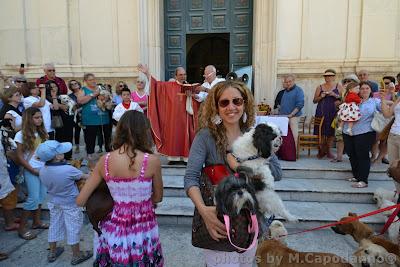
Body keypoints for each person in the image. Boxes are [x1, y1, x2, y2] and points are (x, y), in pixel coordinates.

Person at [76, 110, 164, 266]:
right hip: (144, 227)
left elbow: (80, 200)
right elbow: (158, 198)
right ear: (145, 131)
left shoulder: (105, 160)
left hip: (115, 226)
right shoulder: (151, 161)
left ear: (120, 130)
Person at [184, 80, 257, 266]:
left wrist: (240, 166)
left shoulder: (255, 135)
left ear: (245, 103)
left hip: (250, 219)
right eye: (224, 102)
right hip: (218, 219)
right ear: (216, 107)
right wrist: (203, 212)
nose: (231, 107)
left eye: (237, 101)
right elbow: (191, 177)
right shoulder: (205, 137)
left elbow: (276, 172)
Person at [36, 140, 92, 264]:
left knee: (54, 225)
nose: (64, 153)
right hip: (70, 204)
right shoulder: (68, 169)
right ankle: (76, 255)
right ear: (57, 156)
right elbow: (85, 177)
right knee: (73, 228)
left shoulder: (43, 170)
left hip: (54, 202)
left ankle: (52, 252)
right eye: (61, 152)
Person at [139, 63, 200, 162]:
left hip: (186, 118)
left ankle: (186, 158)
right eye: (180, 75)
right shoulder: (169, 86)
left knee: (186, 136)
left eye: (184, 74)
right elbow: (155, 86)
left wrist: (191, 96)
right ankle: (173, 158)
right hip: (173, 118)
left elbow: (198, 100)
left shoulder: (189, 86)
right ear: (175, 76)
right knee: (174, 135)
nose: (183, 76)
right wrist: (147, 74)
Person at [14, 107, 49, 239]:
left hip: (43, 169)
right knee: (33, 198)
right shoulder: (21, 134)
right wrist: (31, 169)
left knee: (41, 196)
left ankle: (37, 222)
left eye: (40, 117)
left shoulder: (42, 132)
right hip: (30, 170)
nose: (39, 119)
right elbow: (20, 157)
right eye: (36, 117)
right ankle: (22, 228)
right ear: (29, 118)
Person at [342, 82, 380, 188]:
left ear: (371, 90)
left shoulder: (375, 102)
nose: (364, 90)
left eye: (367, 88)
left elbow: (385, 110)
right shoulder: (351, 99)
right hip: (348, 131)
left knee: (362, 156)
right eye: (362, 88)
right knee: (352, 155)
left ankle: (363, 180)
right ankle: (356, 176)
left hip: (365, 132)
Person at [0, 86, 22, 232]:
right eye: (16, 94)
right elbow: (11, 131)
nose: (19, 96)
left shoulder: (14, 109)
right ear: (8, 97)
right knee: (9, 186)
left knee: (12, 185)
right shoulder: (7, 112)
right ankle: (9, 222)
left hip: (10, 149)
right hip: (8, 151)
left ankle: (11, 217)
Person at [77, 73, 111, 161]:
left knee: (107, 136)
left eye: (93, 79)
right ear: (85, 81)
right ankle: (90, 154)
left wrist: (106, 99)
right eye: (90, 80)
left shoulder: (101, 88)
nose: (93, 81)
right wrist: (93, 95)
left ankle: (108, 153)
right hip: (90, 119)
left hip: (104, 118)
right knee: (90, 137)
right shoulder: (83, 90)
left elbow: (109, 98)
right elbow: (80, 101)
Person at [313, 69, 342, 158]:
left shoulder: (338, 86)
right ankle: (321, 149)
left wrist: (334, 95)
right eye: (326, 76)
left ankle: (328, 150)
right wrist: (321, 96)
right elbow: (314, 100)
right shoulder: (320, 87)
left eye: (329, 76)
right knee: (320, 130)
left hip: (334, 111)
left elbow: (342, 99)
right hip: (321, 112)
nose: (327, 78)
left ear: (334, 77)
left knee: (331, 132)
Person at [331, 75, 360, 162]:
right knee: (340, 138)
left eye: (350, 81)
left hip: (354, 118)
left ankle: (356, 157)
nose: (347, 83)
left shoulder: (360, 91)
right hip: (343, 117)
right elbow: (339, 104)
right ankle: (339, 156)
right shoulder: (343, 92)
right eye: (346, 81)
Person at [371, 78, 397, 164]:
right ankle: (373, 156)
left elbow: (395, 105)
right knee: (375, 139)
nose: (386, 85)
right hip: (378, 119)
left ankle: (380, 158)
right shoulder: (376, 94)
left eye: (388, 83)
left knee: (384, 141)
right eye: (384, 83)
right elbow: (375, 104)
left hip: (390, 121)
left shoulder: (395, 94)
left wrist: (392, 93)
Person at [278, 74, 305, 149]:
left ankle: (294, 154)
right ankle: (285, 154)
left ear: (293, 81)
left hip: (293, 117)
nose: (288, 83)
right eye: (286, 82)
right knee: (283, 136)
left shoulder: (298, 90)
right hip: (284, 117)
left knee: (293, 136)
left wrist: (291, 114)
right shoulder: (285, 91)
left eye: (290, 81)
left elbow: (300, 104)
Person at [67, 80, 83, 153]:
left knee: (88, 132)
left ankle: (88, 146)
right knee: (77, 131)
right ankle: (77, 146)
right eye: (72, 84)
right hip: (76, 116)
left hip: (86, 115)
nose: (74, 85)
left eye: (75, 83)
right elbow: (71, 106)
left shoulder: (84, 93)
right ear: (70, 87)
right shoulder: (70, 96)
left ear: (78, 84)